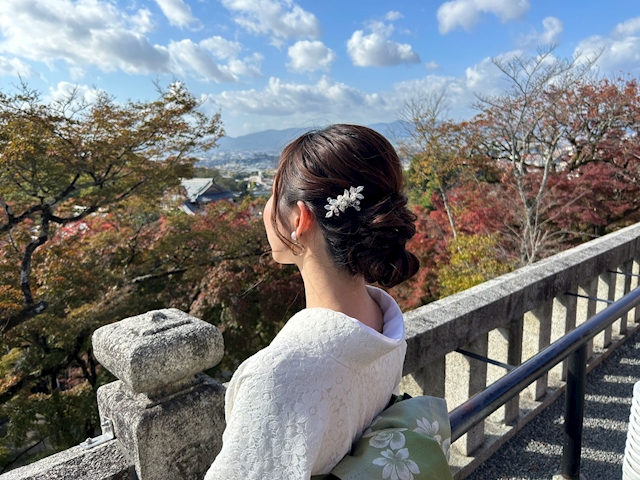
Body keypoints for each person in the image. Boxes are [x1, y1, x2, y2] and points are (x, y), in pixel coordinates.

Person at [204, 124, 420, 479]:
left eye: (274, 194)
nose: (267, 207)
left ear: (300, 219)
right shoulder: (383, 324)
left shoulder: (276, 378)